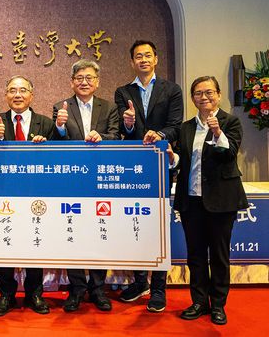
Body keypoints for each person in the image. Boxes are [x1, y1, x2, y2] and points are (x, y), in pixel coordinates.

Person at [169, 76, 247, 325]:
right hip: (192, 200)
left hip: (221, 201)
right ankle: (199, 302)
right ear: (193, 98)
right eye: (198, 93)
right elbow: (183, 162)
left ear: (219, 94)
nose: (204, 97)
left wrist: (216, 131)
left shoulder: (230, 121)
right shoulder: (186, 127)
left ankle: (218, 305)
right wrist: (172, 157)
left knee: (220, 255)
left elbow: (230, 153)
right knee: (196, 255)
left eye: (209, 92)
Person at [0, 75, 64, 316]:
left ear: (31, 95)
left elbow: (57, 158)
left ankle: (34, 294)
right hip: (5, 193)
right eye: (12, 90)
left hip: (35, 194)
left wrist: (45, 146)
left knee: (35, 242)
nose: (17, 95)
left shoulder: (45, 123)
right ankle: (6, 294)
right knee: (5, 241)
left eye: (22, 90)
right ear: (6, 95)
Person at [114, 40, 183, 312]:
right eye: (137, 57)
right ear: (131, 62)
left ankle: (158, 288)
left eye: (147, 55)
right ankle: (140, 280)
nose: (142, 60)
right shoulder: (123, 91)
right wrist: (128, 123)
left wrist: (161, 135)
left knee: (158, 227)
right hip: (133, 167)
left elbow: (176, 126)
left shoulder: (171, 89)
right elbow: (122, 129)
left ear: (156, 59)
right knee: (134, 222)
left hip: (159, 164)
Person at [52, 59, 120, 313]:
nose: (84, 82)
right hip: (72, 181)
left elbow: (116, 135)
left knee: (99, 231)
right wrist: (59, 126)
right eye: (79, 77)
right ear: (72, 82)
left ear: (97, 82)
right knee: (73, 233)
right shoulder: (61, 107)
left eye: (89, 77)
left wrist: (102, 137)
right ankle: (77, 288)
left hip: (100, 180)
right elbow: (57, 141)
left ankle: (98, 288)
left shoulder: (109, 107)